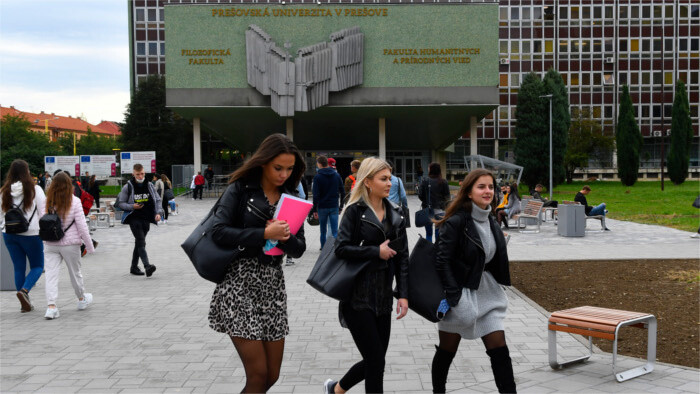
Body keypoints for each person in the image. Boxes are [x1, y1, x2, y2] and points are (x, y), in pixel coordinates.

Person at [210, 133, 307, 393]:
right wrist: (263, 234)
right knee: (257, 374)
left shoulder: (292, 196)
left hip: (273, 287)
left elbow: (299, 249)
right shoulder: (240, 188)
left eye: (289, 168)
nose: (284, 174)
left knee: (271, 376)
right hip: (238, 284)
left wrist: (283, 237)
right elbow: (218, 231)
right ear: (263, 162)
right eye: (278, 168)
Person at [323, 157, 409, 394]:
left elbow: (403, 257)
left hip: (383, 298)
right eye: (383, 179)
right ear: (368, 182)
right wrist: (375, 252)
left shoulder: (396, 213)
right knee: (376, 360)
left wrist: (403, 294)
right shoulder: (354, 211)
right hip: (357, 296)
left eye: (390, 179)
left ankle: (336, 390)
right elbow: (340, 249)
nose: (389, 184)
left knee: (376, 360)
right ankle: (336, 389)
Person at [432, 168, 516, 394]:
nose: (487, 191)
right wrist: (453, 297)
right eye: (481, 186)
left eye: (490, 187)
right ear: (468, 192)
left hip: (487, 294)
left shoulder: (491, 220)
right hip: (459, 293)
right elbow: (442, 261)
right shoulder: (457, 221)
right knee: (447, 350)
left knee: (499, 347)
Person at [41, 172, 95, 319]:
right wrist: (90, 247)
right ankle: (81, 299)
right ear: (69, 185)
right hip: (70, 244)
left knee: (51, 276)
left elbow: (42, 221)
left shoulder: (47, 201)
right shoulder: (75, 201)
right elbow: (82, 227)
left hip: (50, 243)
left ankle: (51, 307)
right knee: (75, 273)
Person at [1, 159, 46, 313]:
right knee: (38, 265)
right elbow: (43, 211)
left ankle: (24, 303)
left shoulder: (4, 191)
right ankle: (25, 291)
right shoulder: (35, 189)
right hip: (31, 233)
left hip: (9, 234)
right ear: (27, 172)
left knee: (18, 267)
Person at [117, 164, 163, 277]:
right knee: (141, 240)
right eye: (138, 174)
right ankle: (147, 266)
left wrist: (158, 213)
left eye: (142, 173)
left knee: (139, 242)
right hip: (134, 218)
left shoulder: (149, 185)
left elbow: (157, 200)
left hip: (146, 218)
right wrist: (132, 206)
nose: (140, 176)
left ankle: (133, 267)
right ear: (133, 174)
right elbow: (120, 203)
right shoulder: (128, 186)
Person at [312, 155, 345, 249]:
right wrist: (341, 206)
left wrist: (315, 209)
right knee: (335, 231)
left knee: (323, 231)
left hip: (322, 207)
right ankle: (333, 250)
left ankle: (323, 249)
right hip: (334, 206)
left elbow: (315, 195)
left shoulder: (317, 177)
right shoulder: (336, 175)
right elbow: (342, 192)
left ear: (319, 164)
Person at [418, 162, 450, 243]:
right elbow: (448, 198)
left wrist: (426, 201)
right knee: (438, 233)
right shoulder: (443, 181)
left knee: (428, 233)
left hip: (427, 210)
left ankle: (429, 252)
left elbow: (420, 195)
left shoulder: (425, 181)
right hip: (440, 210)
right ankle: (437, 251)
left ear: (431, 170)